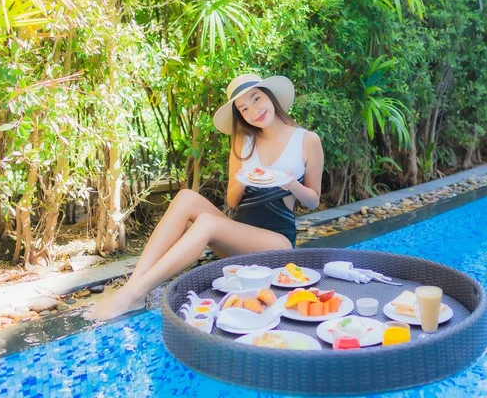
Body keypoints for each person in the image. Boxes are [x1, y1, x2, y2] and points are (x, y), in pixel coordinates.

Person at [84, 74, 324, 321]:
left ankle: (134, 292)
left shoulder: (306, 140)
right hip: (237, 238)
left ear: (269, 96)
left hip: (277, 243)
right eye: (244, 108)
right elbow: (232, 202)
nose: (254, 111)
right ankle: (132, 290)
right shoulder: (243, 140)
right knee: (186, 196)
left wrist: (291, 184)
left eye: (256, 99)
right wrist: (242, 180)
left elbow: (313, 200)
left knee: (207, 223)